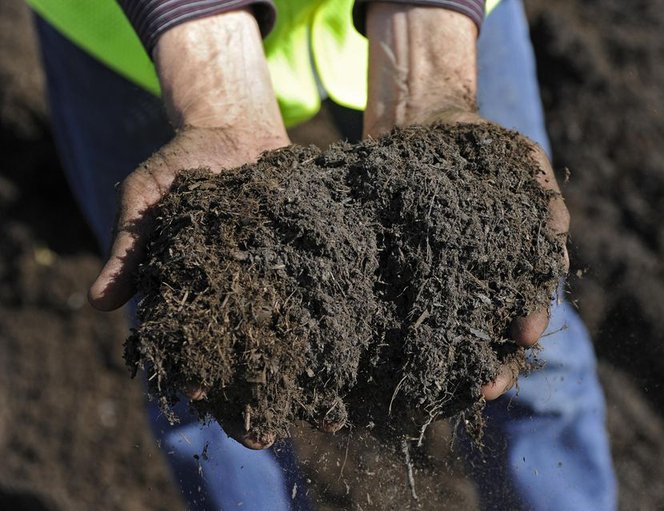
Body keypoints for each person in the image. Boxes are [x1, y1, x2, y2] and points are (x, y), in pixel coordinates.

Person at [31, 0, 617, 508]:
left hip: (447, 22)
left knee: (521, 326)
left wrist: (430, 54)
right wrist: (213, 93)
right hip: (140, 36)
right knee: (203, 362)